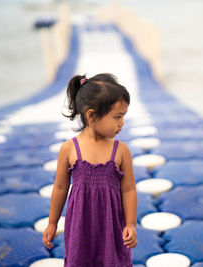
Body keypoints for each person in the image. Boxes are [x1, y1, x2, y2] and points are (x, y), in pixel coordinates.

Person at [42, 73, 138, 266]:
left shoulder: (121, 151)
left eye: (123, 116)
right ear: (92, 115)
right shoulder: (69, 149)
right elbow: (60, 188)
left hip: (111, 227)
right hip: (80, 227)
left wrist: (130, 224)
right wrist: (52, 223)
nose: (122, 123)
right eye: (117, 117)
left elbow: (128, 190)